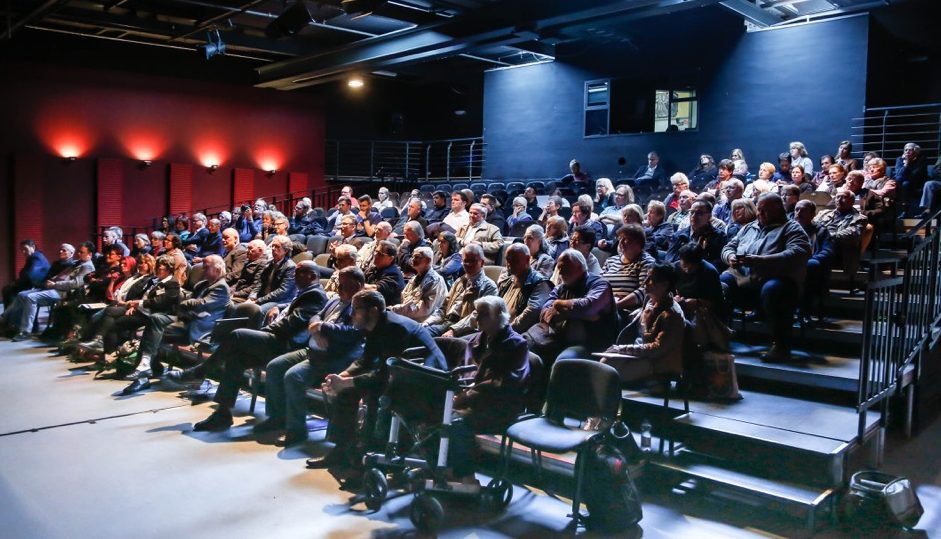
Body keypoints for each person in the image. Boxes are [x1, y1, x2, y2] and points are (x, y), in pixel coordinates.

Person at [306, 290, 446, 469]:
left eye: (356, 309)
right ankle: (342, 450)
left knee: (374, 396)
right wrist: (341, 376)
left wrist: (347, 383)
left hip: (426, 381)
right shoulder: (373, 325)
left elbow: (386, 374)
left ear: (373, 311)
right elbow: (366, 360)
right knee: (345, 394)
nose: (351, 314)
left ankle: (369, 460)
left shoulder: (395, 328)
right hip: (401, 375)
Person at [187, 262, 328, 434]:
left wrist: (265, 330)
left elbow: (292, 323)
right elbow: (292, 308)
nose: (293, 276)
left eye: (299, 273)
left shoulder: (315, 295)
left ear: (312, 276)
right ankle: (222, 414)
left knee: (238, 335)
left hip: (286, 344)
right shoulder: (306, 292)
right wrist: (279, 306)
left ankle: (201, 370)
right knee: (236, 359)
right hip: (277, 340)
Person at [260, 266, 366, 445]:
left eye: (344, 284)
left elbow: (352, 332)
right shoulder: (334, 300)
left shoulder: (361, 306)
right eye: (339, 283)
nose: (339, 288)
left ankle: (296, 430)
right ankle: (277, 417)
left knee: (293, 377)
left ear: (357, 285)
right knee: (274, 366)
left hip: (333, 357)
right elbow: (315, 316)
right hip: (312, 350)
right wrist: (316, 330)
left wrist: (321, 327)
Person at [448, 296, 532, 482]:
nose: (478, 319)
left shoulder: (516, 344)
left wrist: (466, 396)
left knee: (455, 422)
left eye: (484, 315)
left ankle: (466, 475)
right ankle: (445, 467)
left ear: (500, 317)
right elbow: (466, 376)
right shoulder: (475, 342)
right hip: (472, 400)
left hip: (501, 406)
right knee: (434, 414)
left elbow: (506, 384)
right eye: (477, 314)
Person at [720, 193, 811, 362]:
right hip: (743, 280)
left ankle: (781, 346)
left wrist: (761, 261)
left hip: (776, 280)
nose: (759, 214)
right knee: (720, 284)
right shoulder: (748, 227)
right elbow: (728, 246)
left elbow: (799, 252)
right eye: (758, 210)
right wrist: (730, 257)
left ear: (779, 210)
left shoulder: (791, 228)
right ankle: (718, 337)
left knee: (774, 290)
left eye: (764, 211)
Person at [603, 263, 685, 384]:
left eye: (650, 279)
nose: (644, 282)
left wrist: (623, 349)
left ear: (664, 284)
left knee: (608, 375)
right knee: (605, 362)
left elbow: (658, 348)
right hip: (640, 353)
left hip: (657, 361)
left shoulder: (673, 315)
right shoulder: (649, 299)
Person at [101, 255, 180, 379]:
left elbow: (160, 302)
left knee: (119, 324)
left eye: (162, 268)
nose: (159, 269)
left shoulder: (172, 283)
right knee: (114, 321)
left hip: (162, 316)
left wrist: (138, 303)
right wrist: (136, 305)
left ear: (169, 269)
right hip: (145, 313)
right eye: (158, 267)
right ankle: (118, 358)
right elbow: (149, 298)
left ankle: (119, 359)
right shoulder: (158, 282)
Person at [2, 242, 95, 341]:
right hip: (54, 287)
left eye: (82, 252)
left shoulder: (87, 266)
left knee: (30, 298)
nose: (79, 254)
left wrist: (55, 284)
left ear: (90, 254)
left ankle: (25, 331)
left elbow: (75, 284)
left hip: (64, 292)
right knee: (21, 294)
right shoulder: (77, 263)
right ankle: (8, 321)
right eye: (79, 252)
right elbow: (61, 275)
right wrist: (51, 281)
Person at [537, 249, 618, 362]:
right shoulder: (562, 287)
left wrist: (558, 304)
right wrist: (578, 314)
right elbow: (544, 313)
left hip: (590, 344)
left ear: (579, 267)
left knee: (564, 360)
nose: (560, 273)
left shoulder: (600, 284)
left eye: (565, 268)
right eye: (559, 268)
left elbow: (587, 307)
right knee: (524, 346)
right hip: (557, 337)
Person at [424, 244, 497, 337]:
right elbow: (443, 307)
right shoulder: (460, 281)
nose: (469, 265)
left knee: (423, 338)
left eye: (473, 261)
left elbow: (477, 317)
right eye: (466, 261)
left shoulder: (489, 286)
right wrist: (428, 322)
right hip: (446, 323)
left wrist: (453, 330)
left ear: (482, 263)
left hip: (464, 330)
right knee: (418, 332)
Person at [601, 223, 655, 318]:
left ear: (638, 243)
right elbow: (599, 283)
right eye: (619, 239)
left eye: (626, 240)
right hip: (604, 305)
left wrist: (617, 305)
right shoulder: (611, 260)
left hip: (626, 310)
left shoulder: (646, 262)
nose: (621, 243)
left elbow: (645, 290)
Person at [497, 244, 553, 334]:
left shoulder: (540, 283)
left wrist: (503, 332)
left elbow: (531, 314)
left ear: (527, 259)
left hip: (516, 336)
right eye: (508, 259)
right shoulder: (507, 280)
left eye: (514, 260)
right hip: (498, 330)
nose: (509, 264)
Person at [389, 247, 448, 323]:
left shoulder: (435, 281)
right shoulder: (415, 278)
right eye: (413, 256)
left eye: (417, 257)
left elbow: (424, 310)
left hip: (424, 321)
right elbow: (404, 298)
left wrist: (393, 309)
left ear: (427, 261)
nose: (413, 259)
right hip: (408, 317)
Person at [246, 235, 297, 317]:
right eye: (273, 246)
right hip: (265, 298)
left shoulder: (290, 267)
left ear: (286, 251)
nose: (273, 248)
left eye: (277, 246)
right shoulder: (268, 263)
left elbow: (282, 292)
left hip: (281, 301)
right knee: (243, 307)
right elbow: (259, 283)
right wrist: (251, 297)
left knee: (257, 311)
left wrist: (258, 300)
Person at [3, 240, 50, 309]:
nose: (23, 252)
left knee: (9, 290)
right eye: (22, 250)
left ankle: (11, 316)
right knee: (9, 288)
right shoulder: (35, 257)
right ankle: (11, 314)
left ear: (33, 247)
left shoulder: (36, 257)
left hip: (38, 286)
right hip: (35, 284)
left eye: (25, 249)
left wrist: (16, 282)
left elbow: (29, 276)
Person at [363, 240, 405, 306]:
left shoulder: (394, 275)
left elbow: (374, 289)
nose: (375, 255)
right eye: (376, 252)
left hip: (385, 311)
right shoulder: (373, 269)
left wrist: (353, 285)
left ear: (390, 258)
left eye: (380, 254)